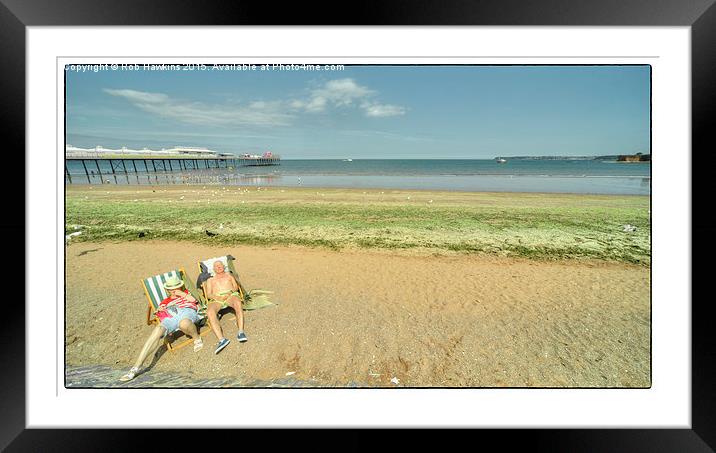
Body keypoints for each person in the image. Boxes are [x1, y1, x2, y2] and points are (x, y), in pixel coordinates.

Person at [119, 275, 204, 382]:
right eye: (171, 288)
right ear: (167, 289)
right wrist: (160, 309)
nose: (174, 290)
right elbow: (160, 314)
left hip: (187, 311)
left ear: (180, 287)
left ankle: (196, 338)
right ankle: (136, 367)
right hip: (171, 316)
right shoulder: (165, 301)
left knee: (184, 323)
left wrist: (181, 294)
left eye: (176, 287)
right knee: (158, 330)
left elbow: (194, 301)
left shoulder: (186, 293)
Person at [204, 260, 248, 354]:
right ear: (213, 269)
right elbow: (208, 294)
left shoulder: (229, 276)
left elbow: (236, 287)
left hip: (230, 296)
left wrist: (229, 293)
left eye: (220, 265)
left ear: (224, 267)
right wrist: (217, 297)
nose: (219, 267)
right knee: (210, 312)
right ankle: (222, 340)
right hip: (217, 299)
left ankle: (241, 332)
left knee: (237, 303)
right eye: (216, 266)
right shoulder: (210, 280)